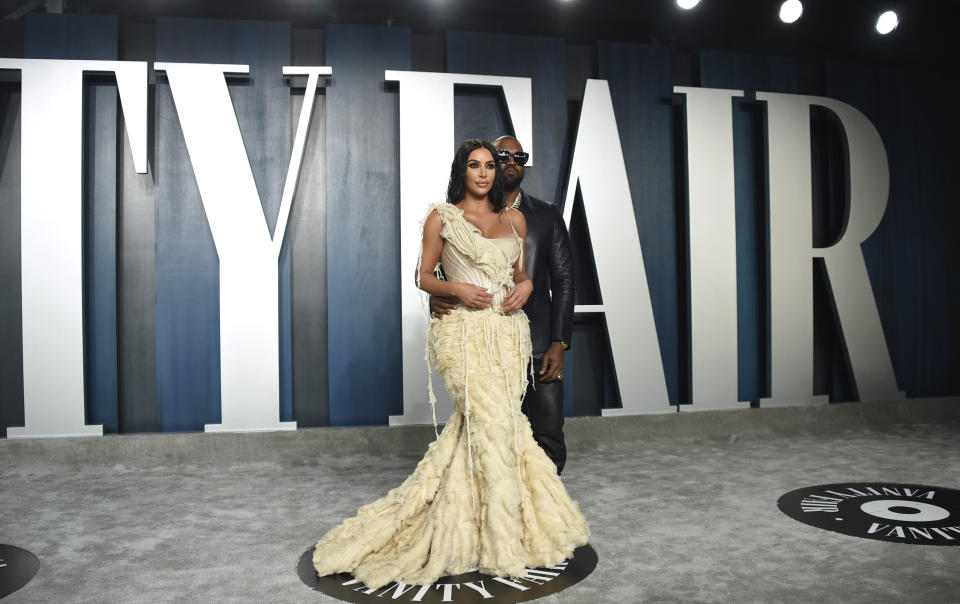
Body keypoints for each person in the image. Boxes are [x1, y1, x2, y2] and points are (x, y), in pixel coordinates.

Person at [312, 139, 589, 590]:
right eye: (476, 165)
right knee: (496, 424)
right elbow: (423, 275)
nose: (485, 173)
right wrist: (455, 291)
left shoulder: (516, 218)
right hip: (461, 334)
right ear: (463, 170)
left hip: (508, 335)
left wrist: (525, 287)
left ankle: (475, 523)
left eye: (490, 166)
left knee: (486, 431)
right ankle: (504, 541)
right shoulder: (443, 216)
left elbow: (522, 275)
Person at [432, 135, 573, 474]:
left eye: (519, 156)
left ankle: (541, 515)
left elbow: (564, 279)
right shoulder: (456, 217)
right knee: (489, 431)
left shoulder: (546, 215)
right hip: (481, 342)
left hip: (537, 340)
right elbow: (444, 272)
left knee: (547, 434)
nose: (512, 161)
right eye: (503, 155)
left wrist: (559, 342)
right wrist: (437, 298)